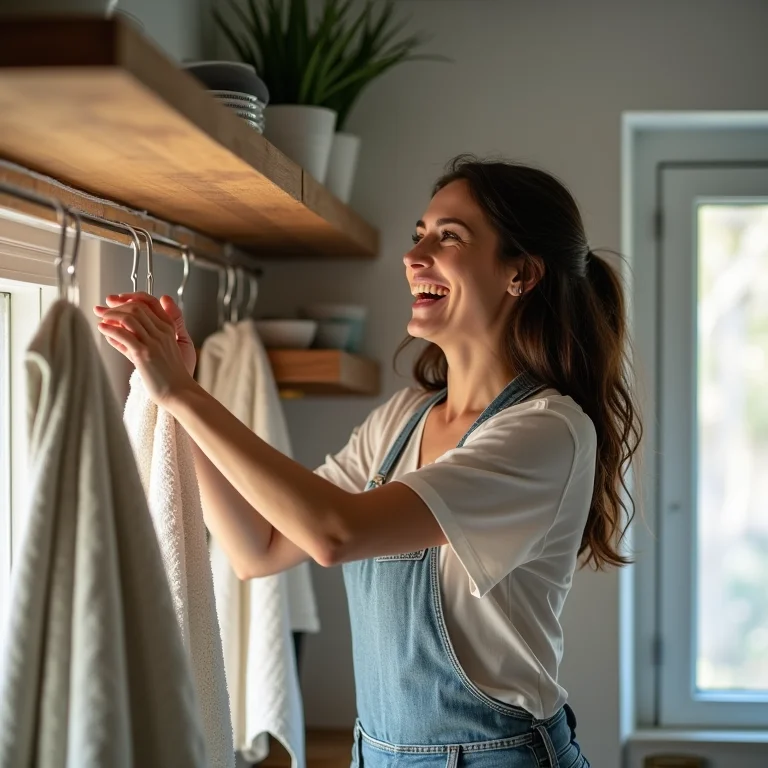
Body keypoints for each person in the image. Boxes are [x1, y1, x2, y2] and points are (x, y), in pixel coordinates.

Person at [94, 155, 641, 768]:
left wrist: (185, 394)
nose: (414, 256)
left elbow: (336, 533)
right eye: (419, 235)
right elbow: (258, 549)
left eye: (448, 237)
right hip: (375, 754)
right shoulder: (401, 417)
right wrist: (182, 399)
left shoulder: (546, 432)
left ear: (522, 273)